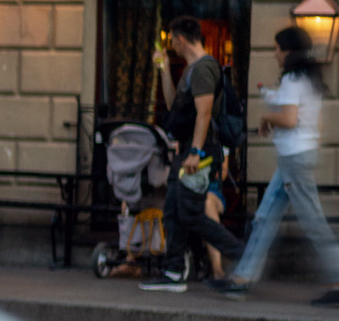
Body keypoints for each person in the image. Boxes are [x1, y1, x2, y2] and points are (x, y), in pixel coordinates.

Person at [216, 26, 339, 304]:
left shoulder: (292, 80)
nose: (274, 54)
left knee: (313, 223)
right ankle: (243, 278)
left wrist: (267, 119)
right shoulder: (309, 81)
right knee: (264, 218)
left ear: (288, 50)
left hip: (293, 159)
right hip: (295, 157)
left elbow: (290, 119)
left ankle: (337, 279)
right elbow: (313, 123)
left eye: (277, 48)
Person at [142, 16, 245, 290]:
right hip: (188, 151)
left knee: (189, 212)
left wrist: (196, 153)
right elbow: (173, 104)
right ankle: (173, 272)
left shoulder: (203, 68)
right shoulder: (191, 69)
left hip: (200, 152)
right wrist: (163, 69)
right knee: (174, 211)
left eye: (171, 41)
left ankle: (242, 256)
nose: (171, 46)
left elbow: (204, 113)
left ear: (181, 39)